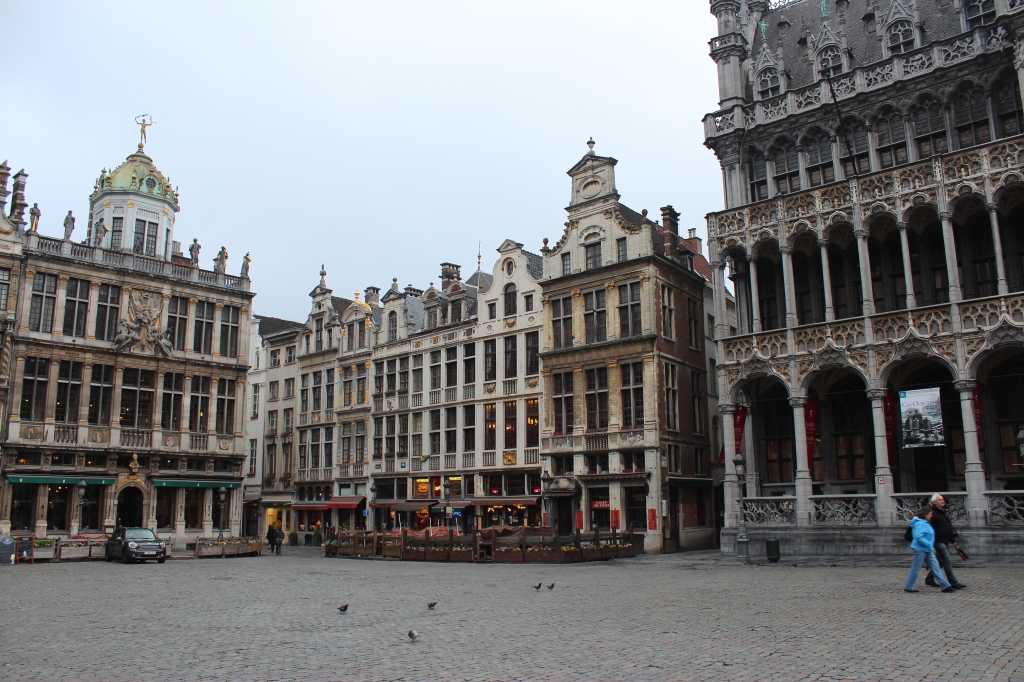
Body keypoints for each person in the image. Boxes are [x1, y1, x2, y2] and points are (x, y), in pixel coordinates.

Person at [904, 508, 954, 593]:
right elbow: (917, 536)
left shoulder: (925, 523)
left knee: (935, 566)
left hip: (927, 549)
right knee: (916, 568)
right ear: (925, 514)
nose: (931, 516)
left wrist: (929, 546)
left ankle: (945, 585)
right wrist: (928, 544)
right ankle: (908, 586)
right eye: (930, 514)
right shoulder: (920, 523)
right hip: (920, 549)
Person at [926, 493, 966, 589]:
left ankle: (929, 578)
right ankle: (953, 582)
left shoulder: (943, 512)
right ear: (935, 503)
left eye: (943, 499)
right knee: (947, 560)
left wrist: (952, 540)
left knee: (940, 561)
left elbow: (948, 527)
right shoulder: (933, 514)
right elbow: (930, 528)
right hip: (939, 541)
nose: (943, 501)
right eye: (940, 500)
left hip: (945, 540)